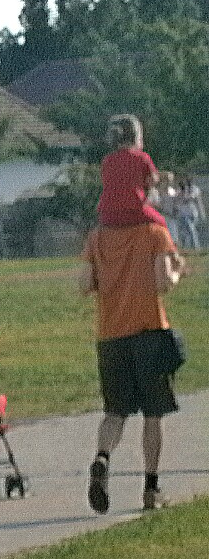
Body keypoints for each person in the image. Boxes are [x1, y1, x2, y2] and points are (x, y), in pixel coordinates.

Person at [79, 215, 186, 513]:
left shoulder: (97, 235)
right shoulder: (154, 233)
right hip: (149, 332)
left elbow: (85, 284)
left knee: (115, 411)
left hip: (110, 336)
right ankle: (151, 488)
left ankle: (102, 457)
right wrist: (178, 271)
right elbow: (163, 283)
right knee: (153, 414)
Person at [96, 115, 168, 230]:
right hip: (134, 211)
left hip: (107, 215)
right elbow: (152, 180)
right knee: (161, 224)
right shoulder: (142, 157)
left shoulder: (107, 160)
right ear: (136, 137)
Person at [172, 174, 203, 251]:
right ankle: (185, 247)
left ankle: (196, 247)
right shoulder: (180, 190)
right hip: (182, 213)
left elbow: (192, 197)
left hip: (192, 213)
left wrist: (185, 196)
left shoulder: (194, 189)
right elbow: (176, 199)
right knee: (185, 231)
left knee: (190, 229)